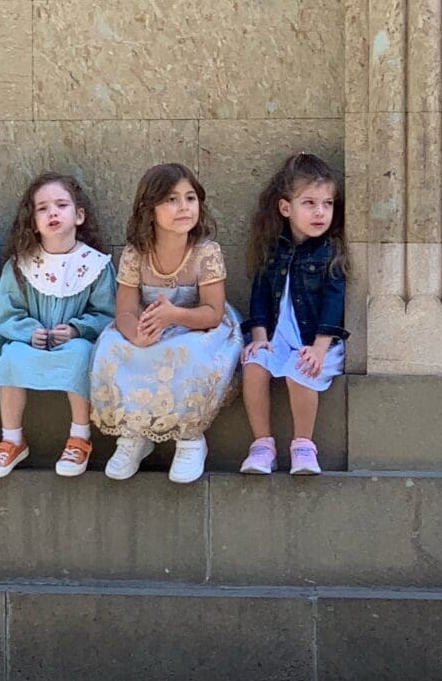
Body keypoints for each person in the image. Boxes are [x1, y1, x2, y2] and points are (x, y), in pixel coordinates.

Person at [90, 163, 242, 484]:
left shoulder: (206, 253)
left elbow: (213, 312)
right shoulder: (135, 255)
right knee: (112, 346)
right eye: (171, 200)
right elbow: (126, 311)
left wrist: (175, 315)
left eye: (190, 198)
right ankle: (134, 433)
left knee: (189, 353)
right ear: (150, 209)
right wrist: (137, 335)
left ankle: (190, 438)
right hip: (151, 324)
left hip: (196, 325)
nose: (184, 207)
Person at [0, 172, 116, 479]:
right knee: (11, 356)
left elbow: (108, 313)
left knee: (81, 354)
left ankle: (79, 436)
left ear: (79, 216)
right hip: (29, 342)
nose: (52, 212)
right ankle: (12, 440)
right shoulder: (21, 265)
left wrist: (78, 329)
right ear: (32, 220)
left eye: (61, 205)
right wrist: (28, 331)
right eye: (42, 208)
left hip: (76, 342)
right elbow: (6, 314)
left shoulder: (95, 265)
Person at [239, 152, 349, 477]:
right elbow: (259, 295)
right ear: (286, 208)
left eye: (327, 204)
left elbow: (334, 302)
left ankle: (303, 445)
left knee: (300, 372)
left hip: (317, 342)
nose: (320, 212)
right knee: (254, 366)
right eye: (310, 203)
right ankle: (262, 445)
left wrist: (319, 347)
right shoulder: (273, 251)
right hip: (277, 337)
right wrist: (259, 338)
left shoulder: (330, 253)